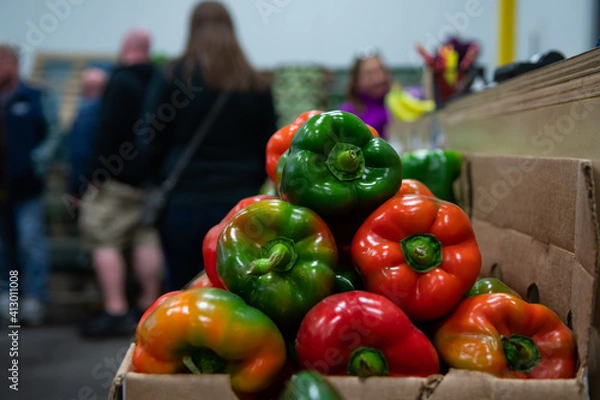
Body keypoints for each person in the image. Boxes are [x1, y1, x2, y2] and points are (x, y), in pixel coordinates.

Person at [141, 1, 277, 290]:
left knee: (183, 292)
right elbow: (270, 146)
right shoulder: (255, 83)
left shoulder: (171, 76)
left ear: (193, 29)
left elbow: (149, 139)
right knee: (236, 290)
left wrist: (159, 177)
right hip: (239, 203)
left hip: (183, 200)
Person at [78, 30, 164, 337]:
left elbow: (107, 130)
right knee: (146, 238)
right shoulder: (160, 79)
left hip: (117, 178)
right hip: (152, 179)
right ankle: (149, 307)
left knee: (104, 238)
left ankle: (116, 309)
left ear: (126, 47)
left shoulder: (120, 81)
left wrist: (96, 173)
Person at [0, 44, 62, 326]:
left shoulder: (35, 96)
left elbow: (54, 134)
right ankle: (7, 298)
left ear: (15, 64)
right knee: (2, 245)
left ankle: (35, 299)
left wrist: (37, 162)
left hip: (27, 187)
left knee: (29, 241)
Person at [68, 67, 108, 204]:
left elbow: (81, 152)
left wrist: (76, 188)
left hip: (88, 184)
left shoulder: (86, 112)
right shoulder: (110, 110)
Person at [339, 48, 392, 138]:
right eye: (369, 74)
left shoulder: (395, 103)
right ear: (356, 80)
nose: (378, 78)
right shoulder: (348, 113)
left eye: (380, 71)